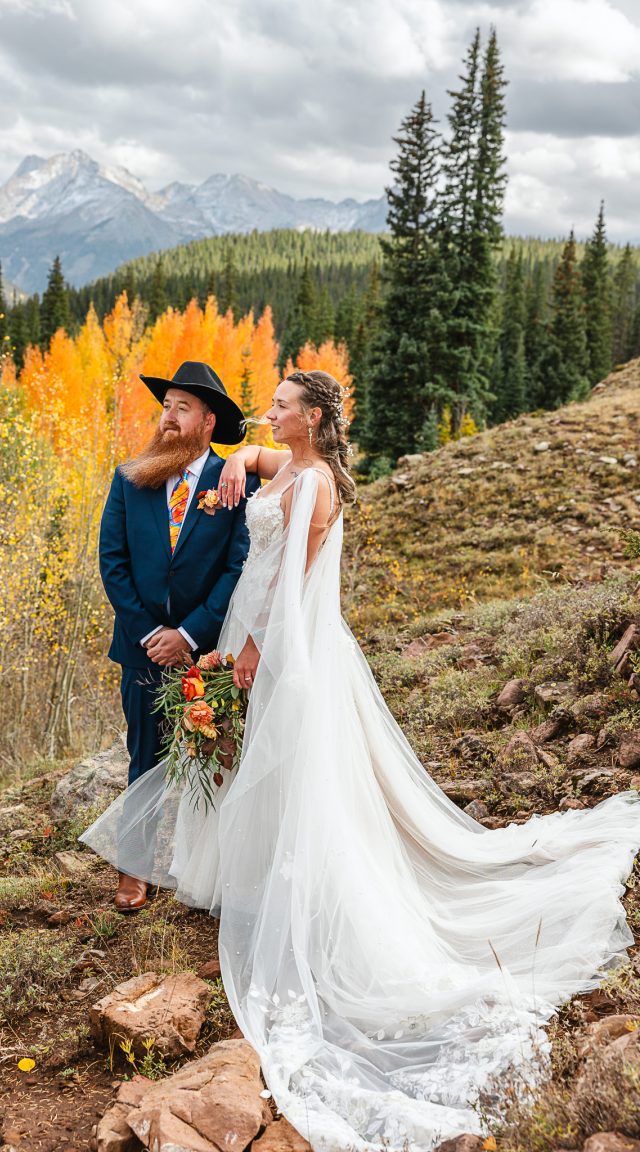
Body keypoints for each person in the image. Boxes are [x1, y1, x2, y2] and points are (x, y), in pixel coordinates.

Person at [83, 369, 640, 1151]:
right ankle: (254, 868)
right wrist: (243, 463)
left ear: (310, 417)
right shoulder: (295, 465)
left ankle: (308, 888)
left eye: (279, 407)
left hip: (288, 648)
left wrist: (244, 651)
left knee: (300, 774)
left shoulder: (316, 486)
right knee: (256, 768)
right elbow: (262, 473)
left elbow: (285, 579)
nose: (266, 415)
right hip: (261, 636)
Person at [98, 360, 259, 912]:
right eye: (165, 407)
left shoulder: (235, 480)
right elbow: (112, 563)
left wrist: (189, 635)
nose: (168, 417)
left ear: (208, 421)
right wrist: (151, 635)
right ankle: (135, 869)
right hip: (141, 649)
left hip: (210, 650)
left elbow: (239, 565)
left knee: (216, 756)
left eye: (181, 408)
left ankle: (212, 868)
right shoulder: (130, 478)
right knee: (144, 756)